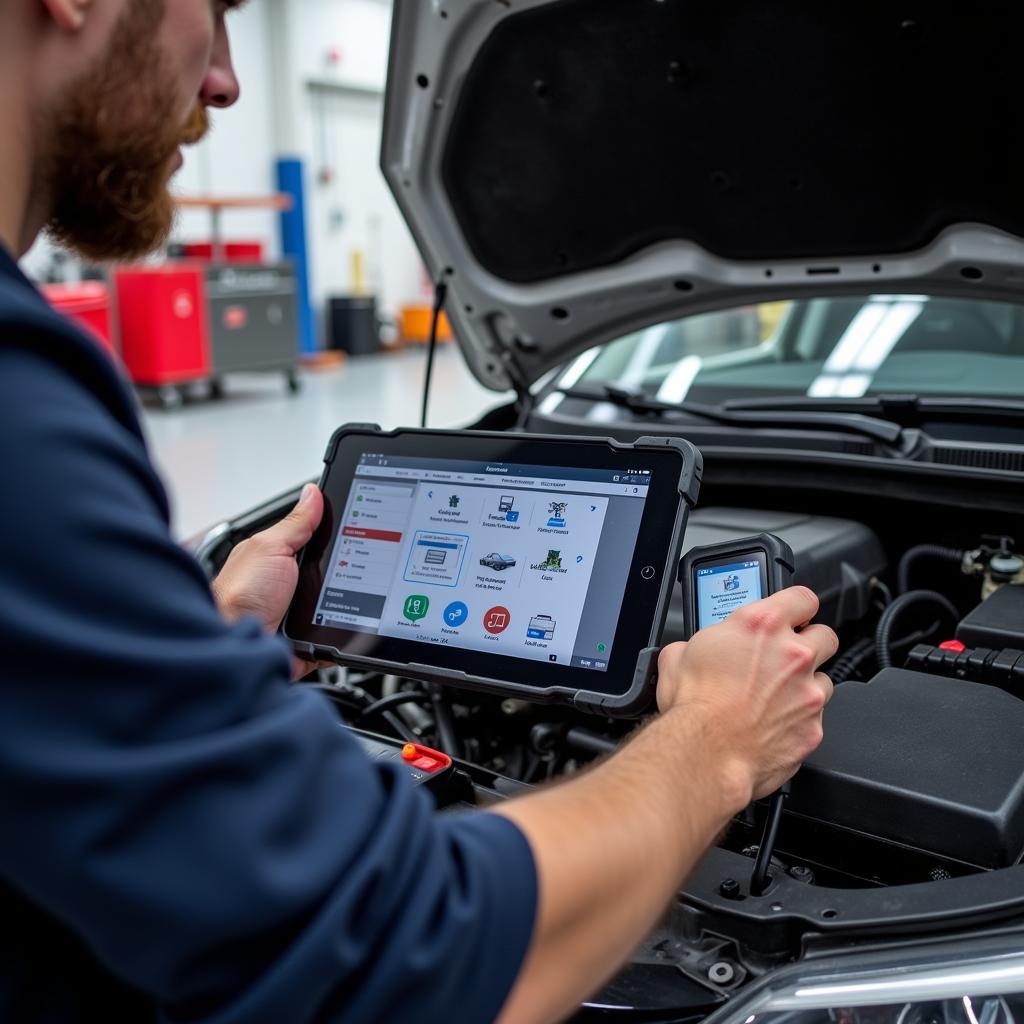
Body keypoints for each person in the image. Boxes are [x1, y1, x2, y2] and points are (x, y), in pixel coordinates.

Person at [0, 1, 837, 1022]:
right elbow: (404, 956)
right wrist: (718, 736)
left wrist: (212, 641)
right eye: (214, 12)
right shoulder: (20, 403)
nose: (224, 77)